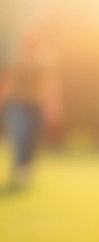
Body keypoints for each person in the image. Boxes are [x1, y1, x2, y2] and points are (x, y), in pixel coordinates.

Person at [0, 29, 62, 188]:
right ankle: (19, 169)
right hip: (17, 104)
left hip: (36, 106)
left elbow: (50, 86)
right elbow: (6, 83)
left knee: (32, 139)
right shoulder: (15, 62)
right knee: (21, 135)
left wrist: (53, 108)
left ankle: (26, 170)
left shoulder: (43, 63)